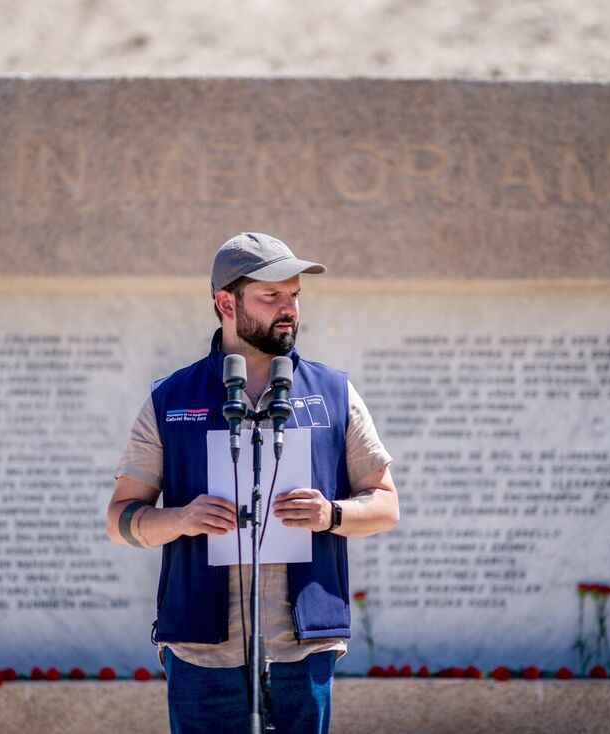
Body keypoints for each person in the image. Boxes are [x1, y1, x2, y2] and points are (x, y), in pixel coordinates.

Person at [107, 232, 398, 734]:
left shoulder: (334, 393)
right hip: (202, 653)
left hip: (302, 650)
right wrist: (180, 519)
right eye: (271, 296)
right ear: (225, 303)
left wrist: (331, 513)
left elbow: (386, 505)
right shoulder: (170, 399)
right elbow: (120, 520)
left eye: (294, 296)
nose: (289, 309)